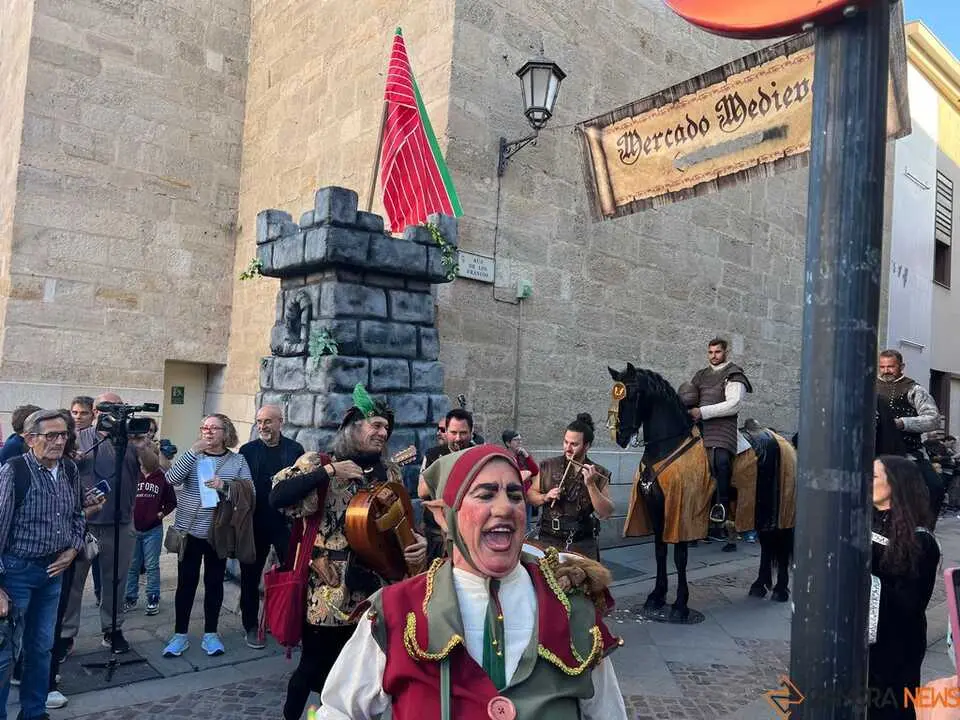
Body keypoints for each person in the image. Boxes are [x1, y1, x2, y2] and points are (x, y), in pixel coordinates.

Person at [314, 444, 628, 719]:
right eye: (485, 494)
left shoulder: (570, 606)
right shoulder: (395, 612)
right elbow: (338, 711)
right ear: (442, 515)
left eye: (515, 495)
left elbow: (609, 712)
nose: (505, 507)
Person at [269, 384, 426, 720]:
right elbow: (277, 496)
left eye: (387, 427)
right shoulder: (319, 462)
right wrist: (329, 472)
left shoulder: (390, 471)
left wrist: (418, 543)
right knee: (312, 668)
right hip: (328, 588)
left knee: (363, 668)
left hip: (374, 588)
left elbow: (399, 525)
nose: (383, 432)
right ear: (353, 428)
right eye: (376, 425)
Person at [0, 409, 85, 720]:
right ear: (30, 439)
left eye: (63, 435)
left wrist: (74, 549)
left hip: (53, 573)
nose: (59, 441)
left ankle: (33, 713)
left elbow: (78, 515)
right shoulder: (15, 471)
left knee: (41, 648)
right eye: (51, 435)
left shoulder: (70, 470)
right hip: (16, 572)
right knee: (5, 652)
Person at [61, 392, 150, 656]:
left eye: (117, 408)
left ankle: (113, 630)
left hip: (121, 523)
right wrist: (70, 458)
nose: (110, 413)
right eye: (104, 408)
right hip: (84, 524)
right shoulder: (80, 437)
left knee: (116, 581)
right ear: (96, 412)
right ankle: (65, 635)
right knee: (74, 582)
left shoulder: (133, 439)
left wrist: (143, 446)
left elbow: (156, 468)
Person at [161, 413, 252, 658]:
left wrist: (224, 486)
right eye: (204, 427)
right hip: (189, 531)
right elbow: (171, 479)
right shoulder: (193, 456)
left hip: (219, 532)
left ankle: (211, 634)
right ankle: (180, 635)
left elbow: (248, 492)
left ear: (226, 432)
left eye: (214, 428)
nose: (208, 431)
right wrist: (191, 452)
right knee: (186, 584)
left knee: (214, 583)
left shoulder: (238, 460)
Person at [870, 456, 941, 719]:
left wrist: (860, 579)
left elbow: (909, 604)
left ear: (896, 485)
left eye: (874, 477)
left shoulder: (922, 541)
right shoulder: (864, 523)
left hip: (895, 649)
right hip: (862, 647)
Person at [237, 404, 305, 649]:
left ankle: (286, 621)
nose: (263, 426)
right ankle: (251, 625)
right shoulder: (247, 451)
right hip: (255, 522)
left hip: (285, 524)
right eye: (259, 422)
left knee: (293, 575)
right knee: (250, 575)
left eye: (268, 421)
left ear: (280, 422)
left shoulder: (295, 449)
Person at [689, 338, 753, 548]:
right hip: (699, 428)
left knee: (721, 461)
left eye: (717, 352)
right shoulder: (701, 375)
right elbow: (691, 397)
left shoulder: (734, 374)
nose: (713, 355)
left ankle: (722, 509)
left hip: (721, 430)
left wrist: (702, 411)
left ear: (726, 352)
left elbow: (733, 404)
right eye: (710, 352)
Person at [525, 414, 614, 560]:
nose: (568, 448)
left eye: (574, 444)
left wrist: (591, 485)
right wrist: (545, 496)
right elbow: (530, 496)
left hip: (582, 543)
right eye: (566, 442)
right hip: (548, 539)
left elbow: (606, 512)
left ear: (587, 446)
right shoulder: (548, 466)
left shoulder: (598, 473)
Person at [876, 349, 945, 524]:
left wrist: (902, 423)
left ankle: (924, 532)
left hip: (909, 452)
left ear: (901, 366)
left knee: (935, 488)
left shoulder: (914, 389)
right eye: (882, 367)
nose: (886, 371)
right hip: (876, 450)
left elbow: (933, 419)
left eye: (891, 367)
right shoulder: (869, 387)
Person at [418, 408, 475, 561]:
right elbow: (421, 491)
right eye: (453, 432)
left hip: (467, 532)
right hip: (436, 533)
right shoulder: (433, 454)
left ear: (471, 432)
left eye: (463, 433)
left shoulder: (477, 454)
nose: (458, 438)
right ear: (446, 432)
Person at [124, 449, 176, 616]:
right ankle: (130, 597)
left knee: (152, 566)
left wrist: (161, 514)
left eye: (141, 463)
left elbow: (171, 501)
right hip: (133, 529)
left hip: (153, 529)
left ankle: (153, 597)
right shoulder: (134, 477)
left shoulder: (162, 478)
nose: (140, 466)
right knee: (132, 566)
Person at [503, 430, 540, 532]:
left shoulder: (523, 456)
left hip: (525, 496)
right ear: (508, 443)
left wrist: (527, 457)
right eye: (516, 440)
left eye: (520, 439)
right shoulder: (504, 457)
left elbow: (535, 471)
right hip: (511, 496)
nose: (519, 442)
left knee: (526, 525)